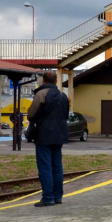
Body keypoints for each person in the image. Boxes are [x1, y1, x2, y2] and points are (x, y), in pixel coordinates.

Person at [27, 71, 70, 207]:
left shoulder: (40, 94)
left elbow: (31, 114)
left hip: (43, 135)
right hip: (59, 135)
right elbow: (65, 114)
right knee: (57, 167)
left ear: (43, 81)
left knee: (45, 167)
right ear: (56, 81)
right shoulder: (63, 96)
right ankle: (58, 196)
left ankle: (47, 197)